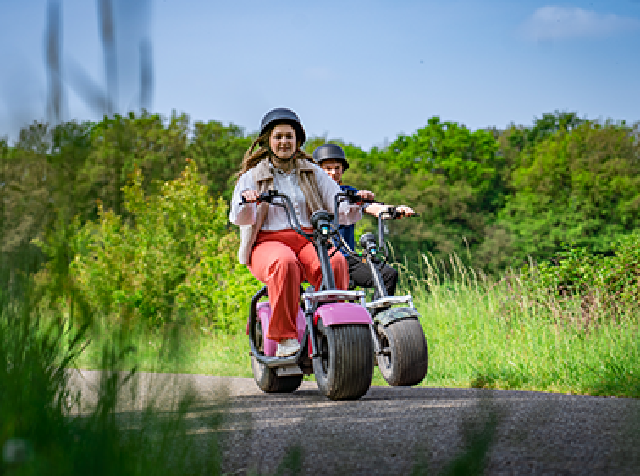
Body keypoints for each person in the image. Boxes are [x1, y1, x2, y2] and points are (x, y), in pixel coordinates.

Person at [229, 109, 362, 357]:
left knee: (335, 261)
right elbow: (238, 216)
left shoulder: (312, 171)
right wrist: (248, 202)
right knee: (284, 263)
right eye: (278, 137)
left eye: (289, 137)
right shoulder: (253, 176)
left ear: (297, 140)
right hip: (267, 242)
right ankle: (285, 337)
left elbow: (337, 201)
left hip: (307, 238)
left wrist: (353, 202)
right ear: (268, 141)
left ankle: (333, 329)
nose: (283, 142)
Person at [313, 143, 415, 297]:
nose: (333, 173)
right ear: (318, 171)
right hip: (319, 258)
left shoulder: (349, 193)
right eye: (328, 168)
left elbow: (371, 207)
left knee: (388, 275)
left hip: (347, 259)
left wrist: (395, 210)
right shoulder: (311, 194)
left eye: (337, 168)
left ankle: (376, 318)